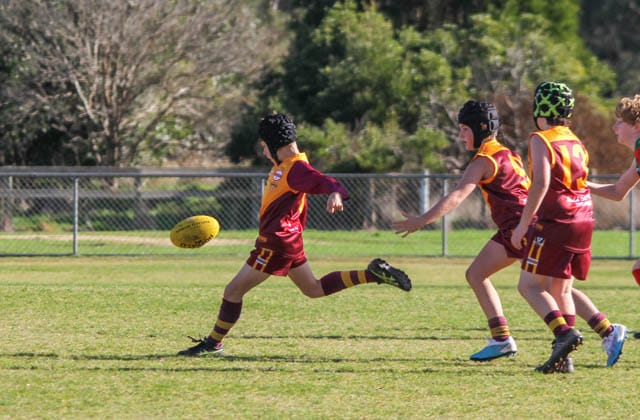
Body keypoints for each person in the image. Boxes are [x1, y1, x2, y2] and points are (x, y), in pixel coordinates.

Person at [177, 113, 412, 356]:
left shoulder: (295, 168)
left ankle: (213, 343)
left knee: (233, 291)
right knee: (313, 289)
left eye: (264, 146)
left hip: (276, 244)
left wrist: (335, 192)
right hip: (289, 241)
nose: (263, 152)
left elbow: (323, 180)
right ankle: (372, 274)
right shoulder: (284, 167)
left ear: (274, 145)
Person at [393, 100, 524, 361]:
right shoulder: (509, 154)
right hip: (519, 229)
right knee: (477, 274)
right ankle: (501, 339)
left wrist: (422, 220)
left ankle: (601, 331)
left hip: (520, 230)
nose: (461, 136)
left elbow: (456, 196)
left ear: (481, 128)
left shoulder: (482, 162)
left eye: (464, 129)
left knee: (549, 289)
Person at [510, 81, 627, 374]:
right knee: (560, 288)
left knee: (528, 285)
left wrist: (523, 224)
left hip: (557, 220)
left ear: (540, 108)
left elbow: (541, 183)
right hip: (584, 217)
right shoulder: (575, 141)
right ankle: (566, 357)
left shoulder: (541, 139)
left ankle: (564, 334)